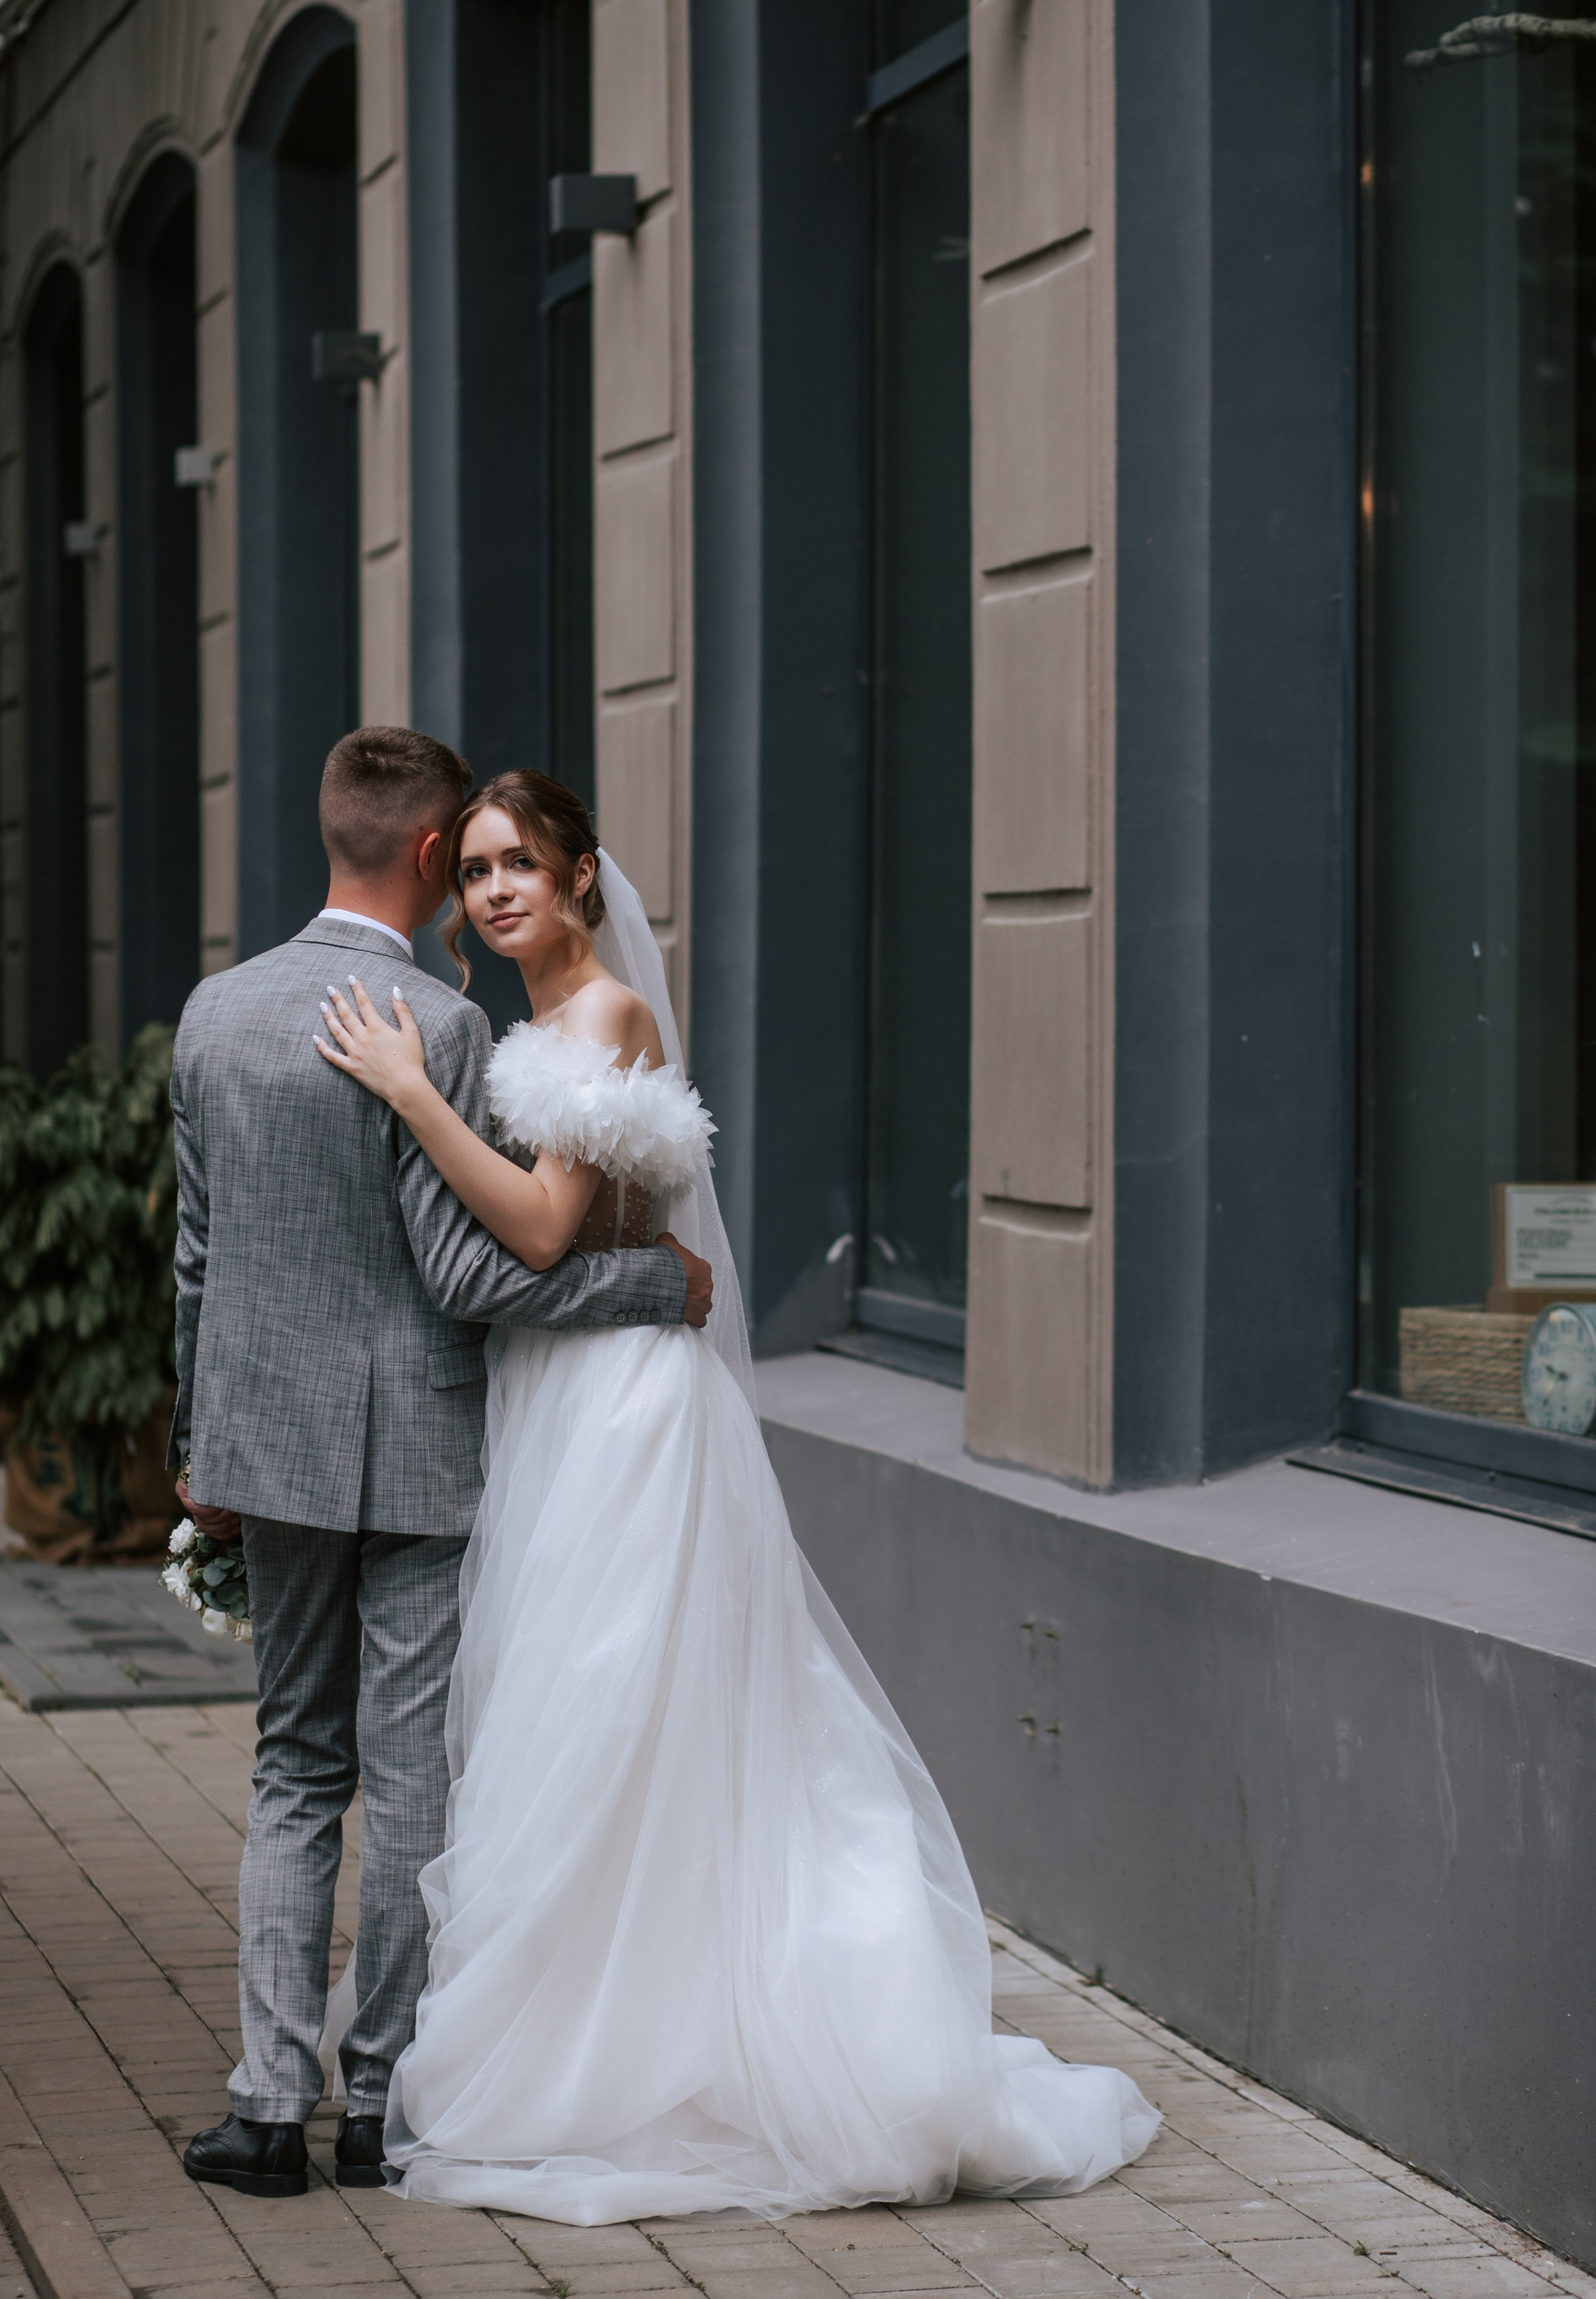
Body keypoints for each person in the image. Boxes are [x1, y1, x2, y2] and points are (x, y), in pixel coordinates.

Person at [313, 767, 1159, 2223]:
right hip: (559, 1390)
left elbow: (539, 1231)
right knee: (569, 1713)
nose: (497, 891)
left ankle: (642, 2043)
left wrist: (408, 1096)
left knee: (609, 1707)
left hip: (624, 1411)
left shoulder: (603, 1017)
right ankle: (604, 2008)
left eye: (523, 866)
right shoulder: (531, 1025)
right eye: (479, 870)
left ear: (582, 878)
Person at [170, 728, 714, 2202]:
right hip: (418, 1444)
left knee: (295, 1765)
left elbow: (197, 1255)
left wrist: (196, 1448)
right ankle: (377, 2109)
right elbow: (475, 1275)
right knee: (410, 1776)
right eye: (469, 863)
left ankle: (265, 2111)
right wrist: (653, 1285)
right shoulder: (441, 1024)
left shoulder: (214, 1012)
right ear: (431, 855)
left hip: (270, 1448)